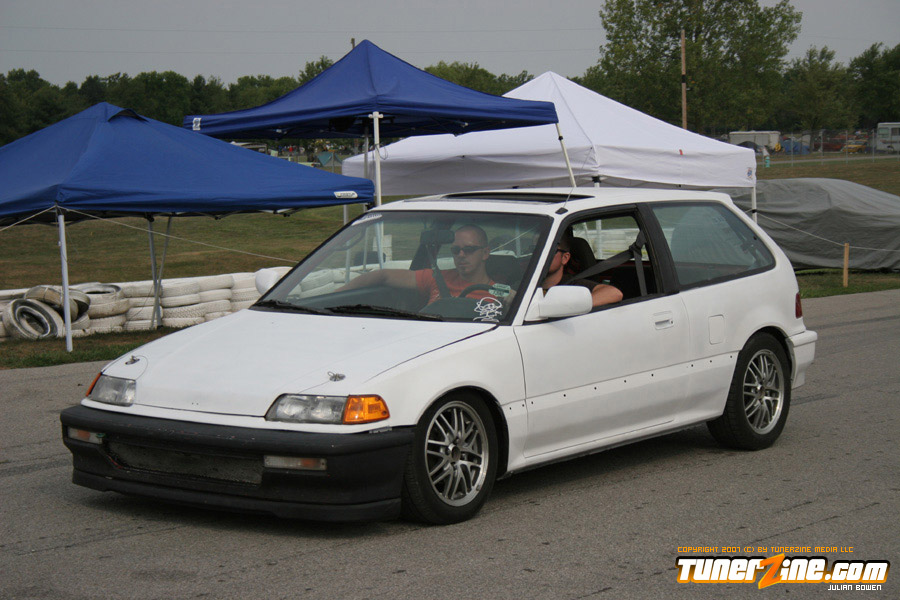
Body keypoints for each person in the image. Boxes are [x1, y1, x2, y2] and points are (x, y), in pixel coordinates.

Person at [338, 224, 501, 304]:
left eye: (469, 249)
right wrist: (336, 294)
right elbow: (383, 275)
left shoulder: (500, 291)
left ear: (485, 253)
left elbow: (510, 295)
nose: (461, 255)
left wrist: (510, 298)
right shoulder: (437, 278)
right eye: (455, 250)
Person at [543, 228, 623, 307]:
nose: (542, 256)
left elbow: (614, 293)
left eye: (550, 251)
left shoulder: (573, 284)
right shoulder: (534, 283)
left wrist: (572, 307)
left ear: (565, 258)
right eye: (537, 250)